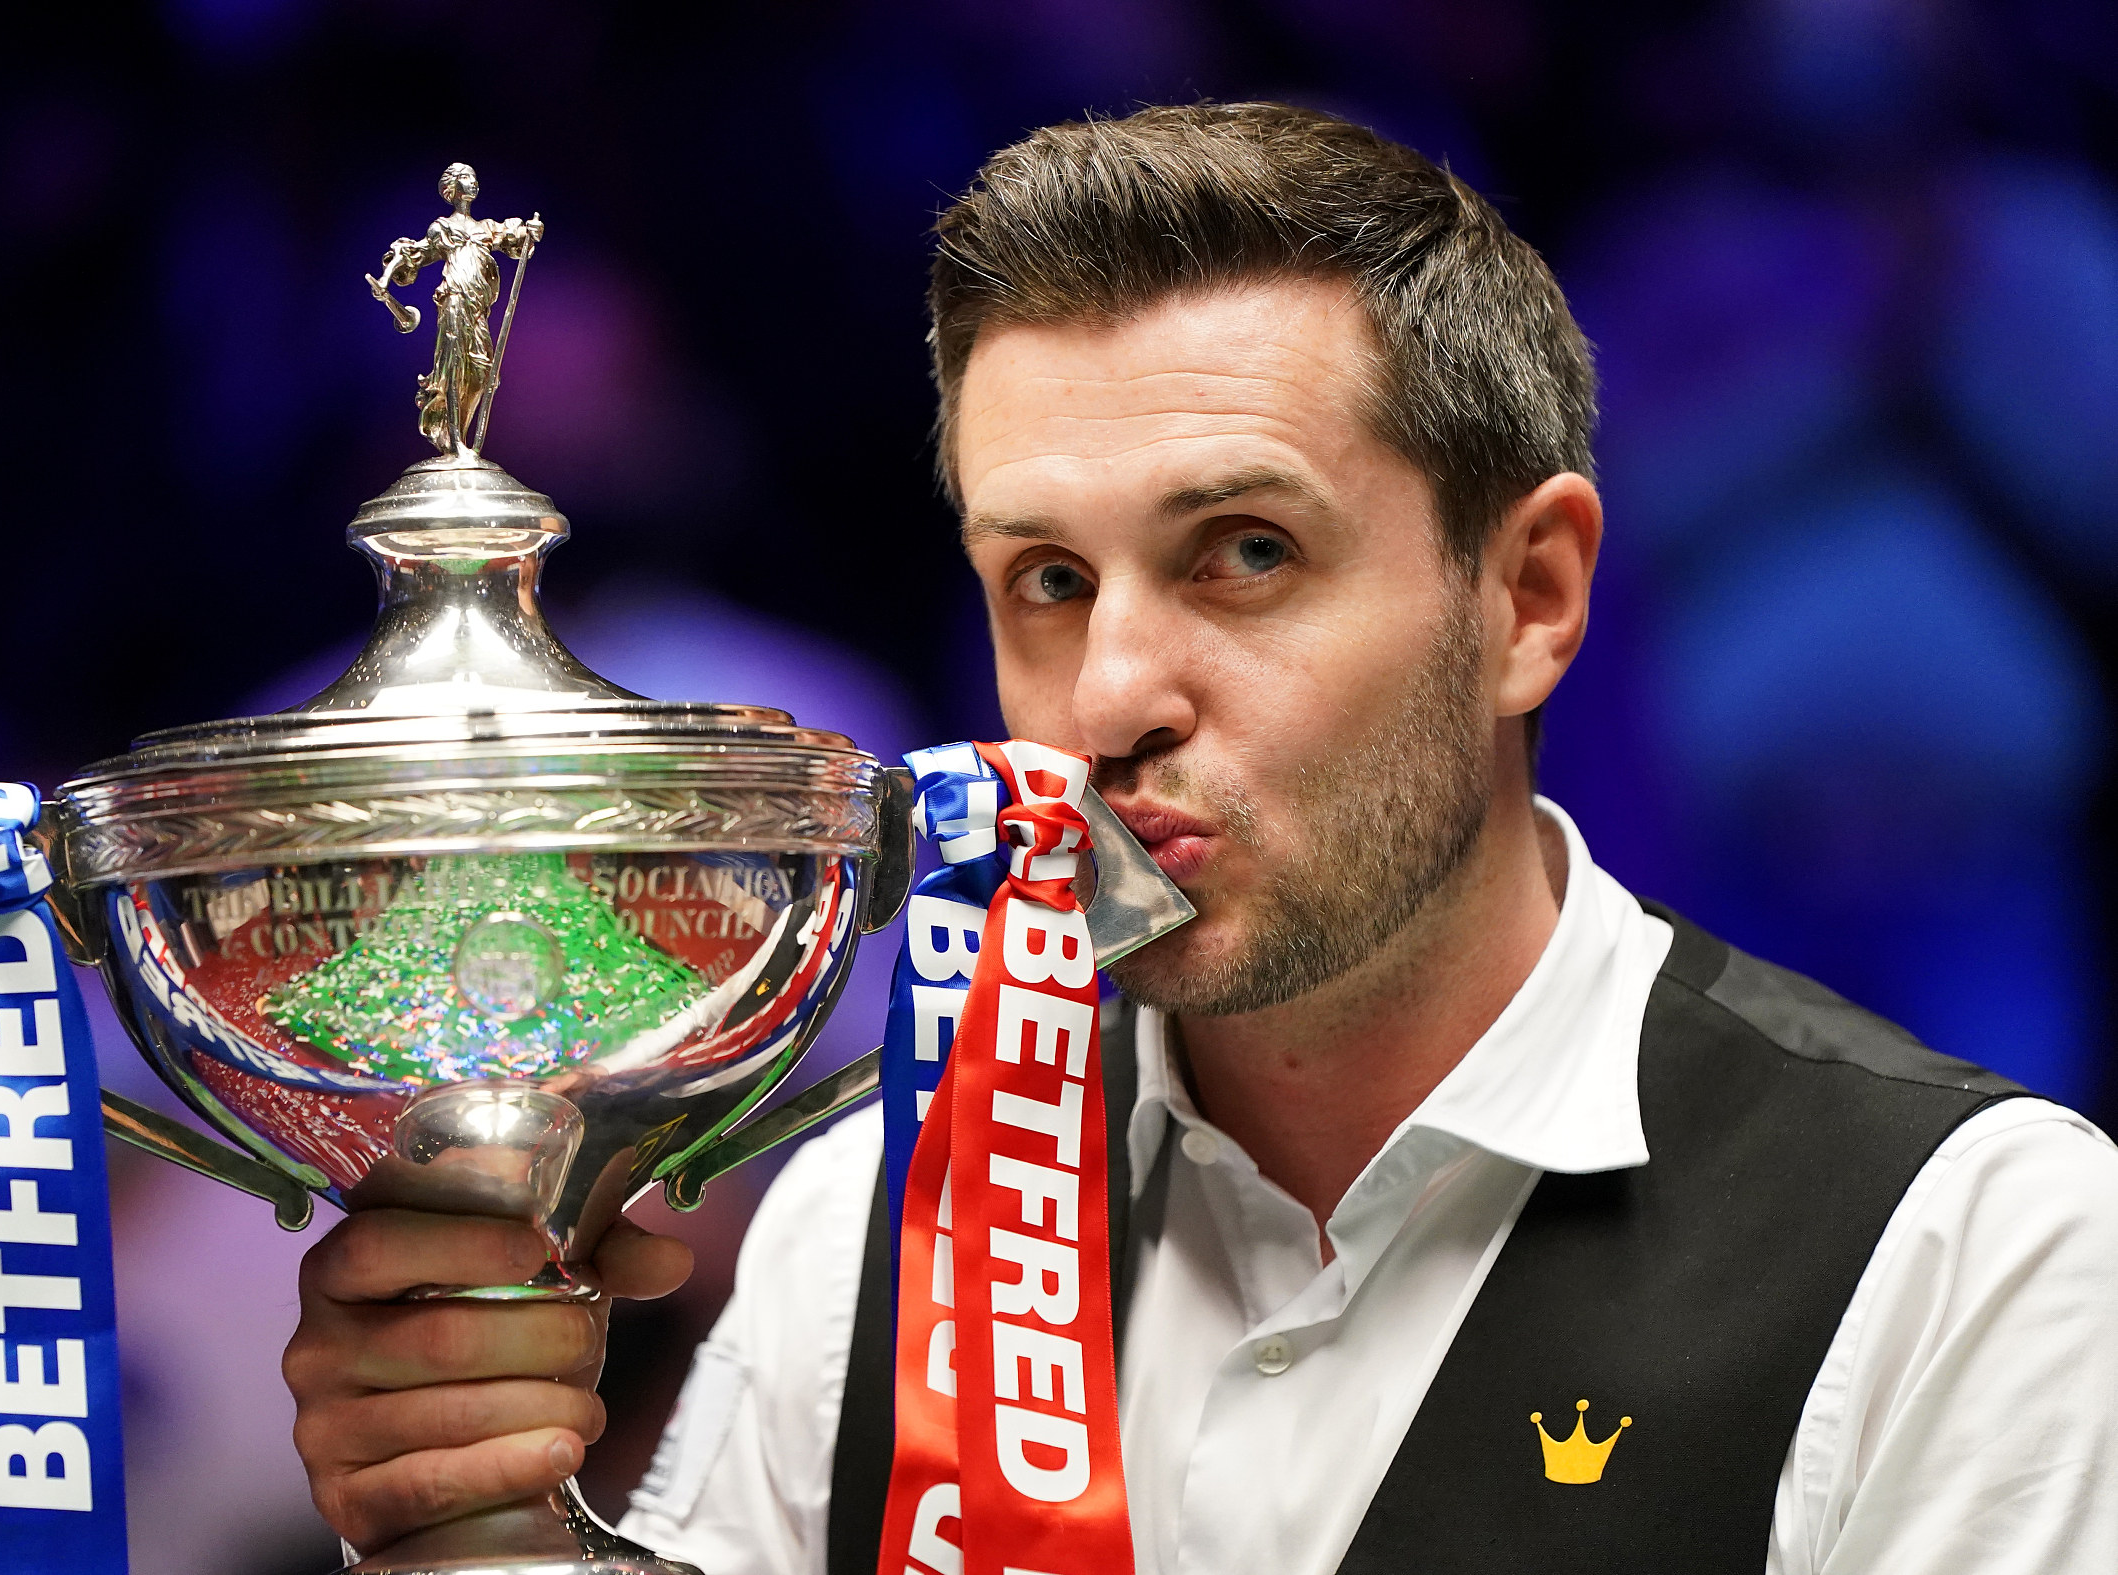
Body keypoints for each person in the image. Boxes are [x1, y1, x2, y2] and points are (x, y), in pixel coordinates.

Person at [282, 103, 2118, 1574]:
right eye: (1046, 579)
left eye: (1246, 553)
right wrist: (468, 1523)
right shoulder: (873, 1226)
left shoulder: (1968, 1246)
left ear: (1530, 597)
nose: (1106, 697)